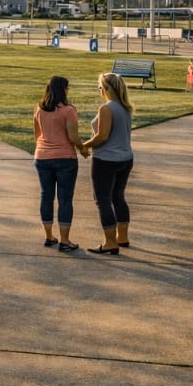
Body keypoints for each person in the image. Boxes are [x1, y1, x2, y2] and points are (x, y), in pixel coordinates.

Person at [82, 72, 135, 255]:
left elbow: (102, 136)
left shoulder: (107, 109)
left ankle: (110, 242)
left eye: (99, 88)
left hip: (106, 160)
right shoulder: (126, 107)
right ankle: (122, 237)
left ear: (105, 88)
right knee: (118, 197)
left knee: (103, 200)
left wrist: (83, 145)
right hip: (125, 158)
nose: (99, 91)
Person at [33, 76, 86, 252]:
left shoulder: (39, 109)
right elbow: (72, 137)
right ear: (64, 90)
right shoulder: (68, 111)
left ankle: (49, 236)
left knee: (46, 196)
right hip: (65, 159)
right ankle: (64, 240)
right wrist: (83, 149)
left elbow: (37, 135)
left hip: (42, 157)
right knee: (64, 199)